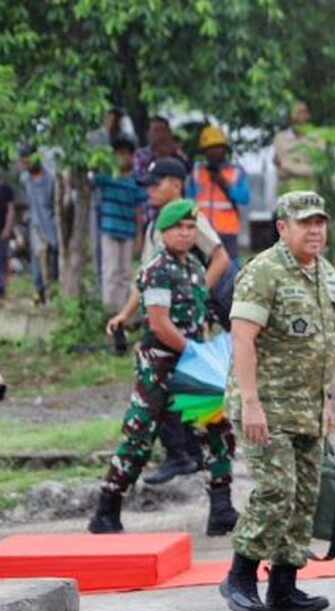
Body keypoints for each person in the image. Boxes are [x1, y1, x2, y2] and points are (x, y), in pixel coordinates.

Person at [220, 191, 335, 611]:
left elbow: (325, 344)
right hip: (267, 404)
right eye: (304, 223)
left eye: (320, 222)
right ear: (282, 228)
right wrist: (250, 403)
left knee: (305, 495)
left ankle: (284, 585)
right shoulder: (264, 271)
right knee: (277, 490)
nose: (315, 230)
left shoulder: (324, 272)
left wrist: (327, 401)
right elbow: (243, 340)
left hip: (308, 406)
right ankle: (240, 576)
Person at [86, 200, 238, 536]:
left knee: (217, 432)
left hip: (192, 364)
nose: (185, 234)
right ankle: (106, 509)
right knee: (140, 437)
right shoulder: (157, 270)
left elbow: (194, 310)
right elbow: (159, 323)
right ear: (164, 233)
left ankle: (222, 510)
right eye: (178, 228)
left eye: (190, 228)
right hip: (160, 364)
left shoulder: (194, 267)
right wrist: (195, 352)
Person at [108, 156, 234, 484]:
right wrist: (125, 314)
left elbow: (221, 257)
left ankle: (189, 458)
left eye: (156, 183)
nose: (150, 190)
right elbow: (144, 276)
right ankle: (187, 455)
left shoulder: (188, 218)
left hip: (185, 323)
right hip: (164, 318)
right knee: (167, 385)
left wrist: (196, 295)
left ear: (176, 185)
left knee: (175, 387)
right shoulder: (158, 224)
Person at [93, 135, 147, 313]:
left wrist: (139, 236)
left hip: (129, 232)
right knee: (110, 271)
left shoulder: (135, 181)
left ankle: (122, 311)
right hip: (109, 230)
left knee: (125, 273)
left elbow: (139, 211)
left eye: (126, 154)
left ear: (132, 157)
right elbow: (91, 178)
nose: (122, 158)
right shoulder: (107, 176)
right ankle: (109, 309)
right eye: (119, 154)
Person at [187, 125, 251, 263]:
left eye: (217, 147)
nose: (214, 152)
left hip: (227, 231)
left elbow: (245, 198)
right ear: (204, 151)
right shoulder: (197, 172)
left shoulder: (236, 171)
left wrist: (226, 185)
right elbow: (189, 201)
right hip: (202, 229)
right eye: (209, 149)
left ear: (225, 149)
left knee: (230, 269)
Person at [17, 145, 58, 304]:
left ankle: (52, 294)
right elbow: (24, 205)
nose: (26, 164)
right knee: (36, 261)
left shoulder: (51, 179)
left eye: (27, 160)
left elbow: (56, 206)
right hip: (34, 226)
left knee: (52, 262)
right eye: (23, 162)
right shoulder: (24, 180)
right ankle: (39, 293)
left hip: (50, 226)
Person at [133, 116, 189, 228]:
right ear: (148, 134)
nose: (159, 135)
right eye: (155, 130)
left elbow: (184, 183)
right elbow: (139, 183)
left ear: (169, 133)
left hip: (173, 217)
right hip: (146, 218)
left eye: (162, 130)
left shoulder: (179, 156)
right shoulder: (141, 155)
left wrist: (169, 155)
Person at [272, 102, 322, 195]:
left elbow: (316, 169)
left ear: (308, 115)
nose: (298, 116)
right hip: (286, 192)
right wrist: (302, 165)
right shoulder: (280, 138)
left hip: (309, 193)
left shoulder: (317, 138)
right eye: (295, 112)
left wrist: (288, 165)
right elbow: (281, 170)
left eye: (302, 112)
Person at [0, 172, 15, 302]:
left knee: (3, 260)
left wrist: (7, 228)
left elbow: (11, 211)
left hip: (2, 231)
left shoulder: (7, 189)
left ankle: (2, 289)